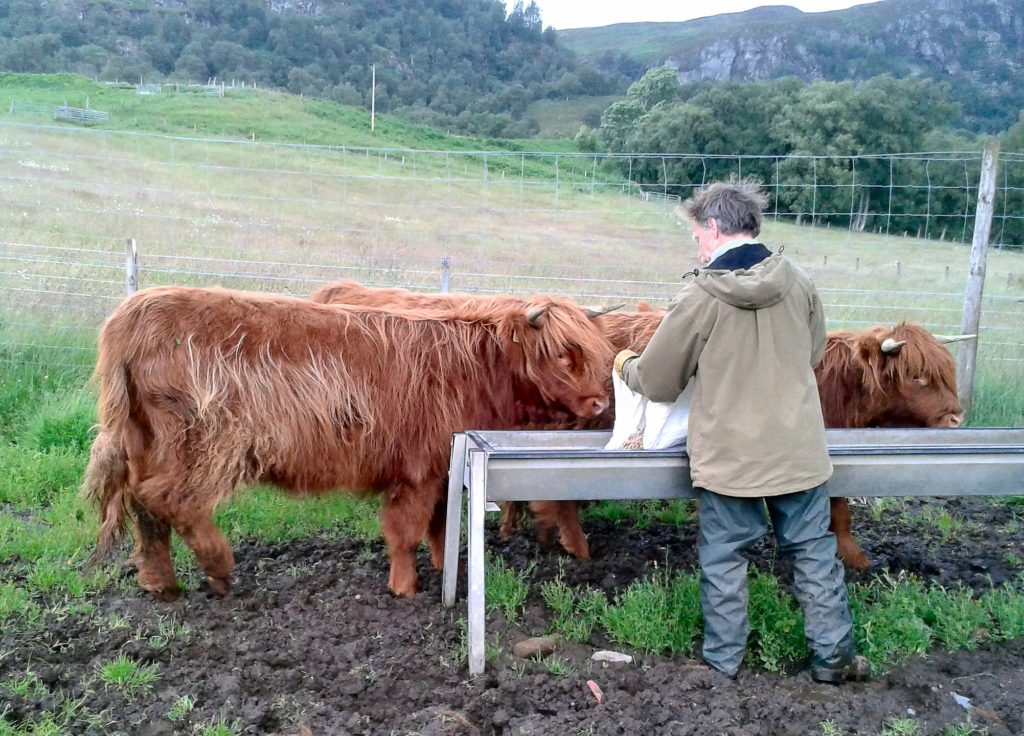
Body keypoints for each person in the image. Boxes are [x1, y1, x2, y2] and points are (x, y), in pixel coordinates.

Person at [614, 179, 868, 684]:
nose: (696, 245)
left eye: (696, 235)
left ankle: (722, 664)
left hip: (730, 460)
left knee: (725, 559)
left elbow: (661, 382)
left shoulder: (700, 296)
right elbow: (814, 355)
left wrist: (625, 363)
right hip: (798, 451)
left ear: (713, 227)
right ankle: (834, 659)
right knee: (814, 553)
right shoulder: (798, 281)